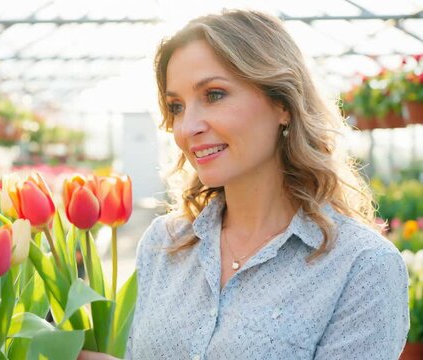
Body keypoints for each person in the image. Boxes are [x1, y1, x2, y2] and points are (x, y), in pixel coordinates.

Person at [79, 9, 409, 360]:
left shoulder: (362, 266)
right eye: (176, 106)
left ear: (282, 103)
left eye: (214, 95)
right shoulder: (164, 244)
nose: (187, 127)